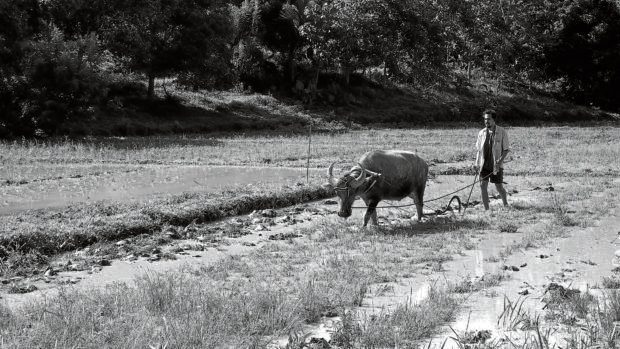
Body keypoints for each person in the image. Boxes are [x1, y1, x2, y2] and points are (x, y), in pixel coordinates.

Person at [474, 109, 510, 210]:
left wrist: (500, 161)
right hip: (484, 164)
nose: (486, 121)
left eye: (488, 119)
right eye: (485, 119)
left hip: (496, 165)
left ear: (494, 119)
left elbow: (506, 149)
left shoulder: (502, 132)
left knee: (499, 187)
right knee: (482, 185)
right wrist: (476, 163)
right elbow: (479, 150)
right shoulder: (481, 133)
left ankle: (506, 205)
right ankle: (487, 210)